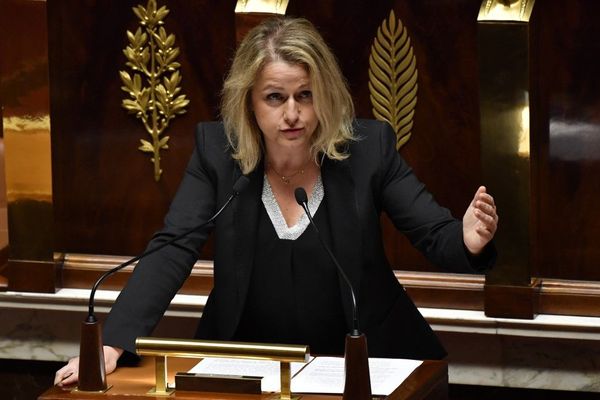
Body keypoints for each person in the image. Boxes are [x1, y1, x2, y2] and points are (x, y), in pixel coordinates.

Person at [55, 16, 498, 386]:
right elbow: (173, 246)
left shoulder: (368, 150)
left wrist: (468, 238)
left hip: (363, 365)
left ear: (324, 94)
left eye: (305, 95)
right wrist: (114, 341)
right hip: (249, 362)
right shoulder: (218, 155)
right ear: (249, 102)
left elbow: (435, 232)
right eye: (275, 98)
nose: (292, 113)